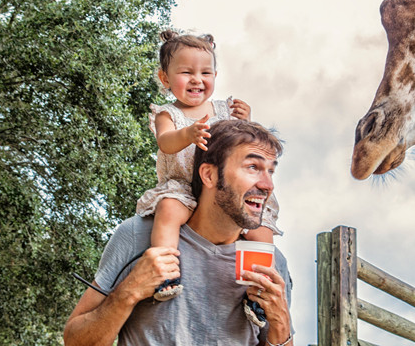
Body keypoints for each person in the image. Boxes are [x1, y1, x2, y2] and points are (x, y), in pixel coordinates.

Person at [63, 120, 294, 346]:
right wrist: (129, 291)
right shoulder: (138, 235)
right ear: (209, 175)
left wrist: (281, 325)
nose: (268, 185)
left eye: (270, 171)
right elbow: (75, 341)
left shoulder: (273, 264)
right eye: (253, 167)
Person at [138, 30, 282, 302]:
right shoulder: (168, 114)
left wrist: (248, 121)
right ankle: (166, 272)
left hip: (224, 189)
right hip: (184, 186)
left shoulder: (224, 109)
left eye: (206, 73)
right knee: (167, 211)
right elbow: (166, 143)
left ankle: (259, 290)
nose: (197, 80)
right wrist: (187, 135)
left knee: (260, 229)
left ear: (215, 76)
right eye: (186, 72)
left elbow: (246, 143)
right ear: (164, 78)